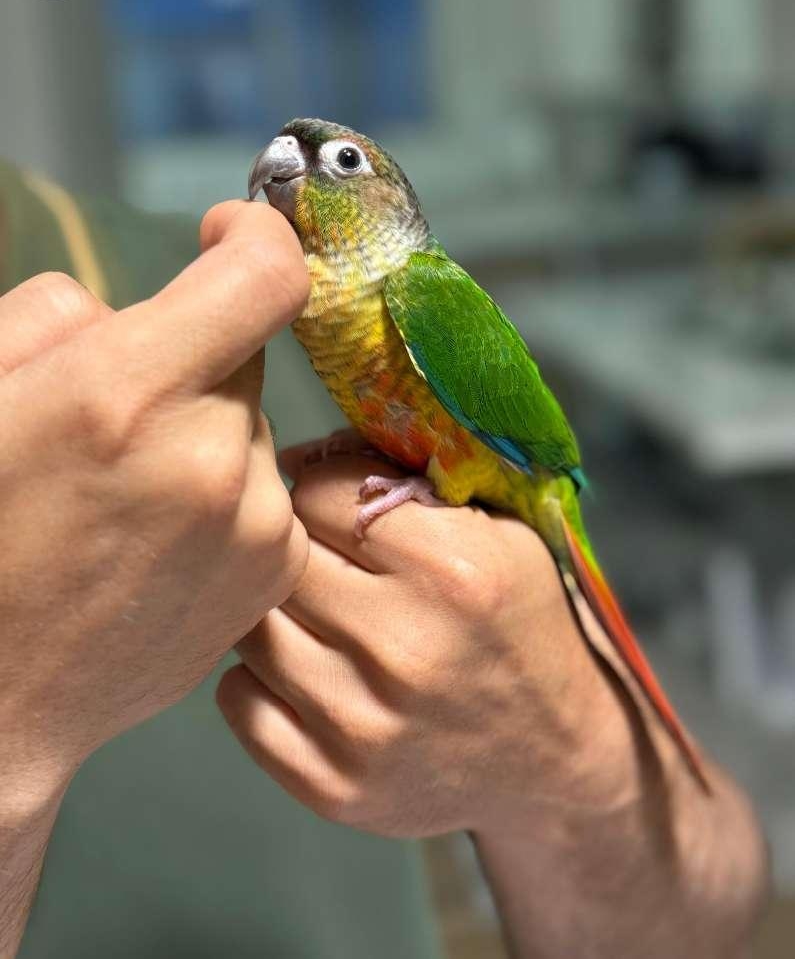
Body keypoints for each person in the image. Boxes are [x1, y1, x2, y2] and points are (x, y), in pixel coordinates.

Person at [0, 164, 769, 958]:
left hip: (513, 472)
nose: (286, 163)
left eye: (340, 163)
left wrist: (567, 745)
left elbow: (710, 919)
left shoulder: (228, 291)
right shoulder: (257, 304)